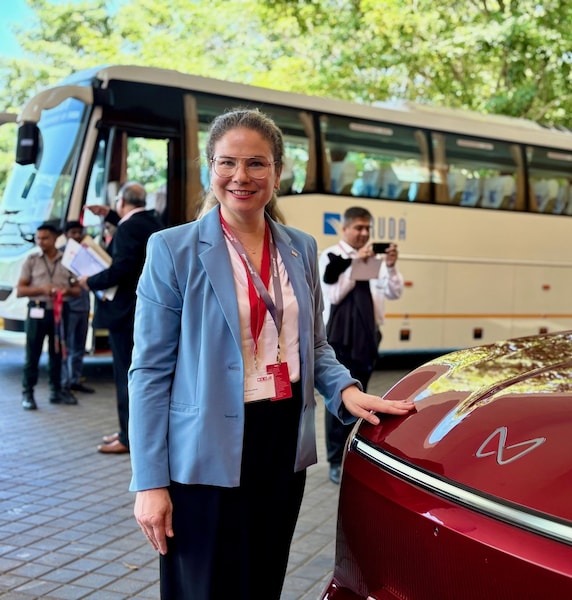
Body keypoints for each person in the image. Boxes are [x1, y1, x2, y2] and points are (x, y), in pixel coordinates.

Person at [128, 108, 414, 600]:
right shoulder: (171, 250)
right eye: (227, 163)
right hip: (203, 453)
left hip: (281, 441)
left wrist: (344, 389)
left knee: (262, 578)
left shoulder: (300, 248)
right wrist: (149, 483)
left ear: (278, 174)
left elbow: (315, 344)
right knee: (201, 587)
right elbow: (149, 372)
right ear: (210, 169)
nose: (241, 176)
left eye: (257, 164)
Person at [319, 206, 404, 484]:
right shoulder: (331, 256)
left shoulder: (373, 260)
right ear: (344, 229)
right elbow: (332, 295)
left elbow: (394, 292)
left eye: (367, 228)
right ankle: (334, 459)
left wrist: (389, 265)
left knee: (364, 396)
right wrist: (357, 266)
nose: (364, 233)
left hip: (368, 338)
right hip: (341, 340)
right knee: (339, 397)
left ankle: (354, 453)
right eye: (358, 227)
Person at [79, 182, 163, 454]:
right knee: (137, 375)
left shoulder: (128, 229)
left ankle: (128, 438)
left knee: (125, 377)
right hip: (142, 312)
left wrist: (89, 281)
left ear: (122, 201)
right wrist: (110, 216)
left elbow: (122, 268)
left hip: (124, 312)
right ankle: (128, 431)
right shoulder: (151, 220)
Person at [17, 223, 81, 410]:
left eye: (45, 238)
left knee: (57, 353)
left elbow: (77, 290)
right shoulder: (32, 260)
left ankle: (56, 391)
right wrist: (41, 289)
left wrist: (65, 291)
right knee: (33, 354)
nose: (40, 242)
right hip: (37, 310)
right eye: (38, 238)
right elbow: (20, 290)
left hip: (60, 313)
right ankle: (28, 393)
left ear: (55, 239)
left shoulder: (67, 260)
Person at [61, 221, 94, 394]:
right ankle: (64, 381)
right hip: (68, 306)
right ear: (65, 234)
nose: (76, 235)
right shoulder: (61, 255)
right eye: (72, 232)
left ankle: (75, 379)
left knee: (80, 346)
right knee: (67, 345)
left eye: (79, 232)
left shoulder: (86, 253)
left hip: (83, 305)